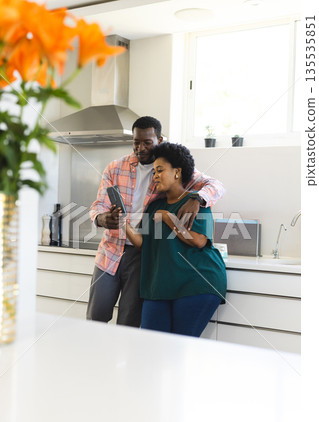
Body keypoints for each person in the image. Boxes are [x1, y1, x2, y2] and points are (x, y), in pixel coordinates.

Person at [87, 116, 225, 327]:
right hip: (110, 250)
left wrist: (198, 198)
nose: (140, 148)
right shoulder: (115, 168)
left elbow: (215, 185)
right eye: (135, 142)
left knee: (129, 321)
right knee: (94, 318)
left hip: (142, 254)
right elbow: (98, 206)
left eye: (147, 143)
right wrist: (103, 218)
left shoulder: (170, 167)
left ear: (159, 139)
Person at [125, 142, 227, 336]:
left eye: (160, 170)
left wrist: (167, 217)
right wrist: (123, 224)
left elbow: (198, 240)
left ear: (177, 172)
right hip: (159, 287)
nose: (155, 176)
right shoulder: (154, 206)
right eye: (154, 172)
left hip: (196, 283)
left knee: (180, 347)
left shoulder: (195, 202)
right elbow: (144, 244)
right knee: (151, 345)